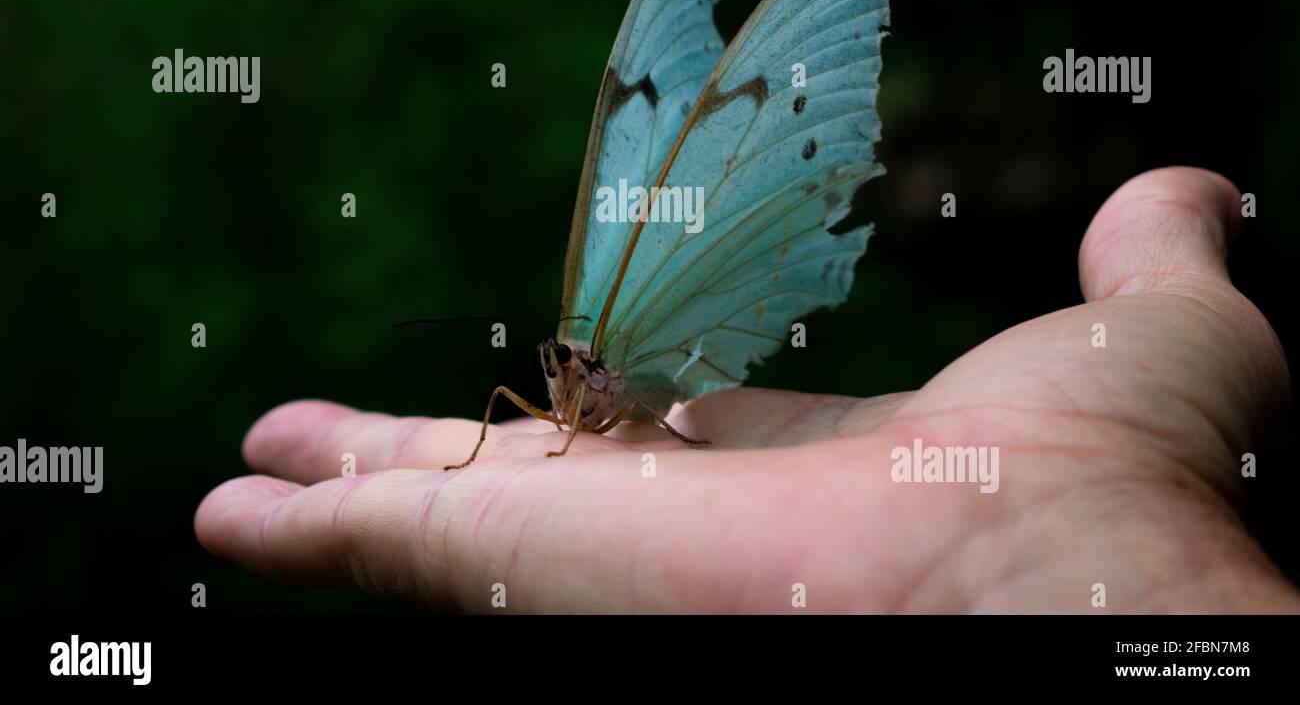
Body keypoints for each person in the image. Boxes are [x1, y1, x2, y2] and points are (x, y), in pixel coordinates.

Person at [195, 167, 1297, 612]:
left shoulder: (616, 357)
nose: (559, 374)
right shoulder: (560, 386)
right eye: (561, 371)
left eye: (567, 368)